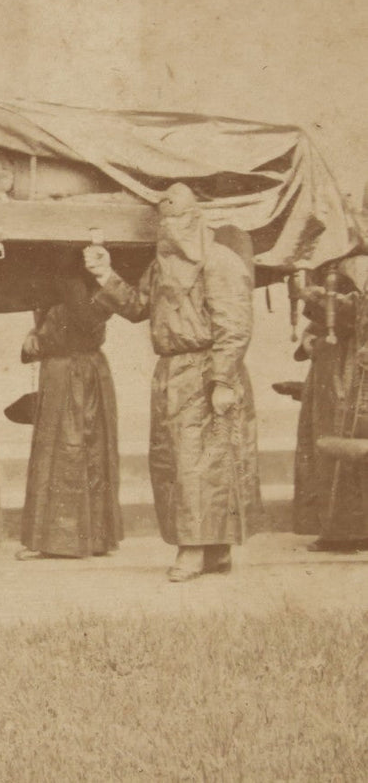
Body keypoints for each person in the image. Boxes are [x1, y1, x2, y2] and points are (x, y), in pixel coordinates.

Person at [84, 183, 261, 581]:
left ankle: (196, 549)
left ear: (196, 219)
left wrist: (222, 380)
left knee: (203, 465)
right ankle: (213, 551)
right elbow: (138, 306)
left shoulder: (220, 261)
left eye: (179, 219)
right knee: (177, 463)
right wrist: (105, 273)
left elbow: (235, 327)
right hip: (172, 374)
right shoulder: (162, 266)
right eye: (165, 222)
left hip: (208, 372)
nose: (172, 230)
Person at [16, 270, 123, 559]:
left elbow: (84, 320)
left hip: (73, 372)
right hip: (75, 369)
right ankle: (92, 538)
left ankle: (63, 542)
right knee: (81, 448)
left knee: (68, 449)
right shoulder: (65, 275)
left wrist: (41, 337)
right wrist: (36, 334)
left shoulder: (70, 275)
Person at [291, 255, 368, 551]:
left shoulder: (357, 265)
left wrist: (320, 300)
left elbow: (354, 315)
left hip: (354, 370)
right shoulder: (336, 260)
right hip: (332, 364)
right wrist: (311, 335)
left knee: (349, 438)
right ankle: (337, 527)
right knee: (329, 441)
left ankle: (348, 531)